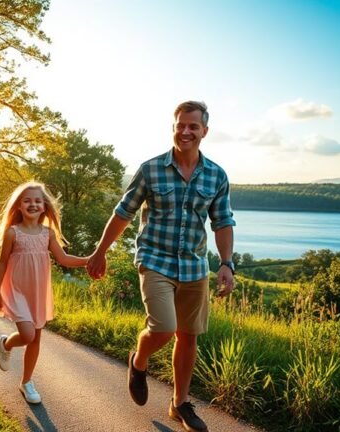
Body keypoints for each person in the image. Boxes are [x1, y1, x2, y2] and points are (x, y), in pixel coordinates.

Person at [87, 101, 236, 432]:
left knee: (189, 335)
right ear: (173, 127)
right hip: (155, 260)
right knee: (164, 328)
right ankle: (138, 361)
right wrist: (100, 251)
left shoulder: (216, 175)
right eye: (180, 125)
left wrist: (226, 263)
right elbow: (123, 212)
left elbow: (223, 222)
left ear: (204, 132)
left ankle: (179, 404)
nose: (185, 131)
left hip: (195, 267)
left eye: (193, 127)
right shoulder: (151, 169)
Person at [0, 181, 88, 404]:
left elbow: (64, 259)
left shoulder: (48, 234)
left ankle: (26, 382)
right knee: (27, 335)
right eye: (27, 200)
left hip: (37, 291)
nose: (32, 204)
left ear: (44, 206)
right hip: (16, 290)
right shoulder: (12, 233)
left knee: (35, 338)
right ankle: (6, 344)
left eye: (37, 200)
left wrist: (89, 260)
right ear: (18, 206)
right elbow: (2, 263)